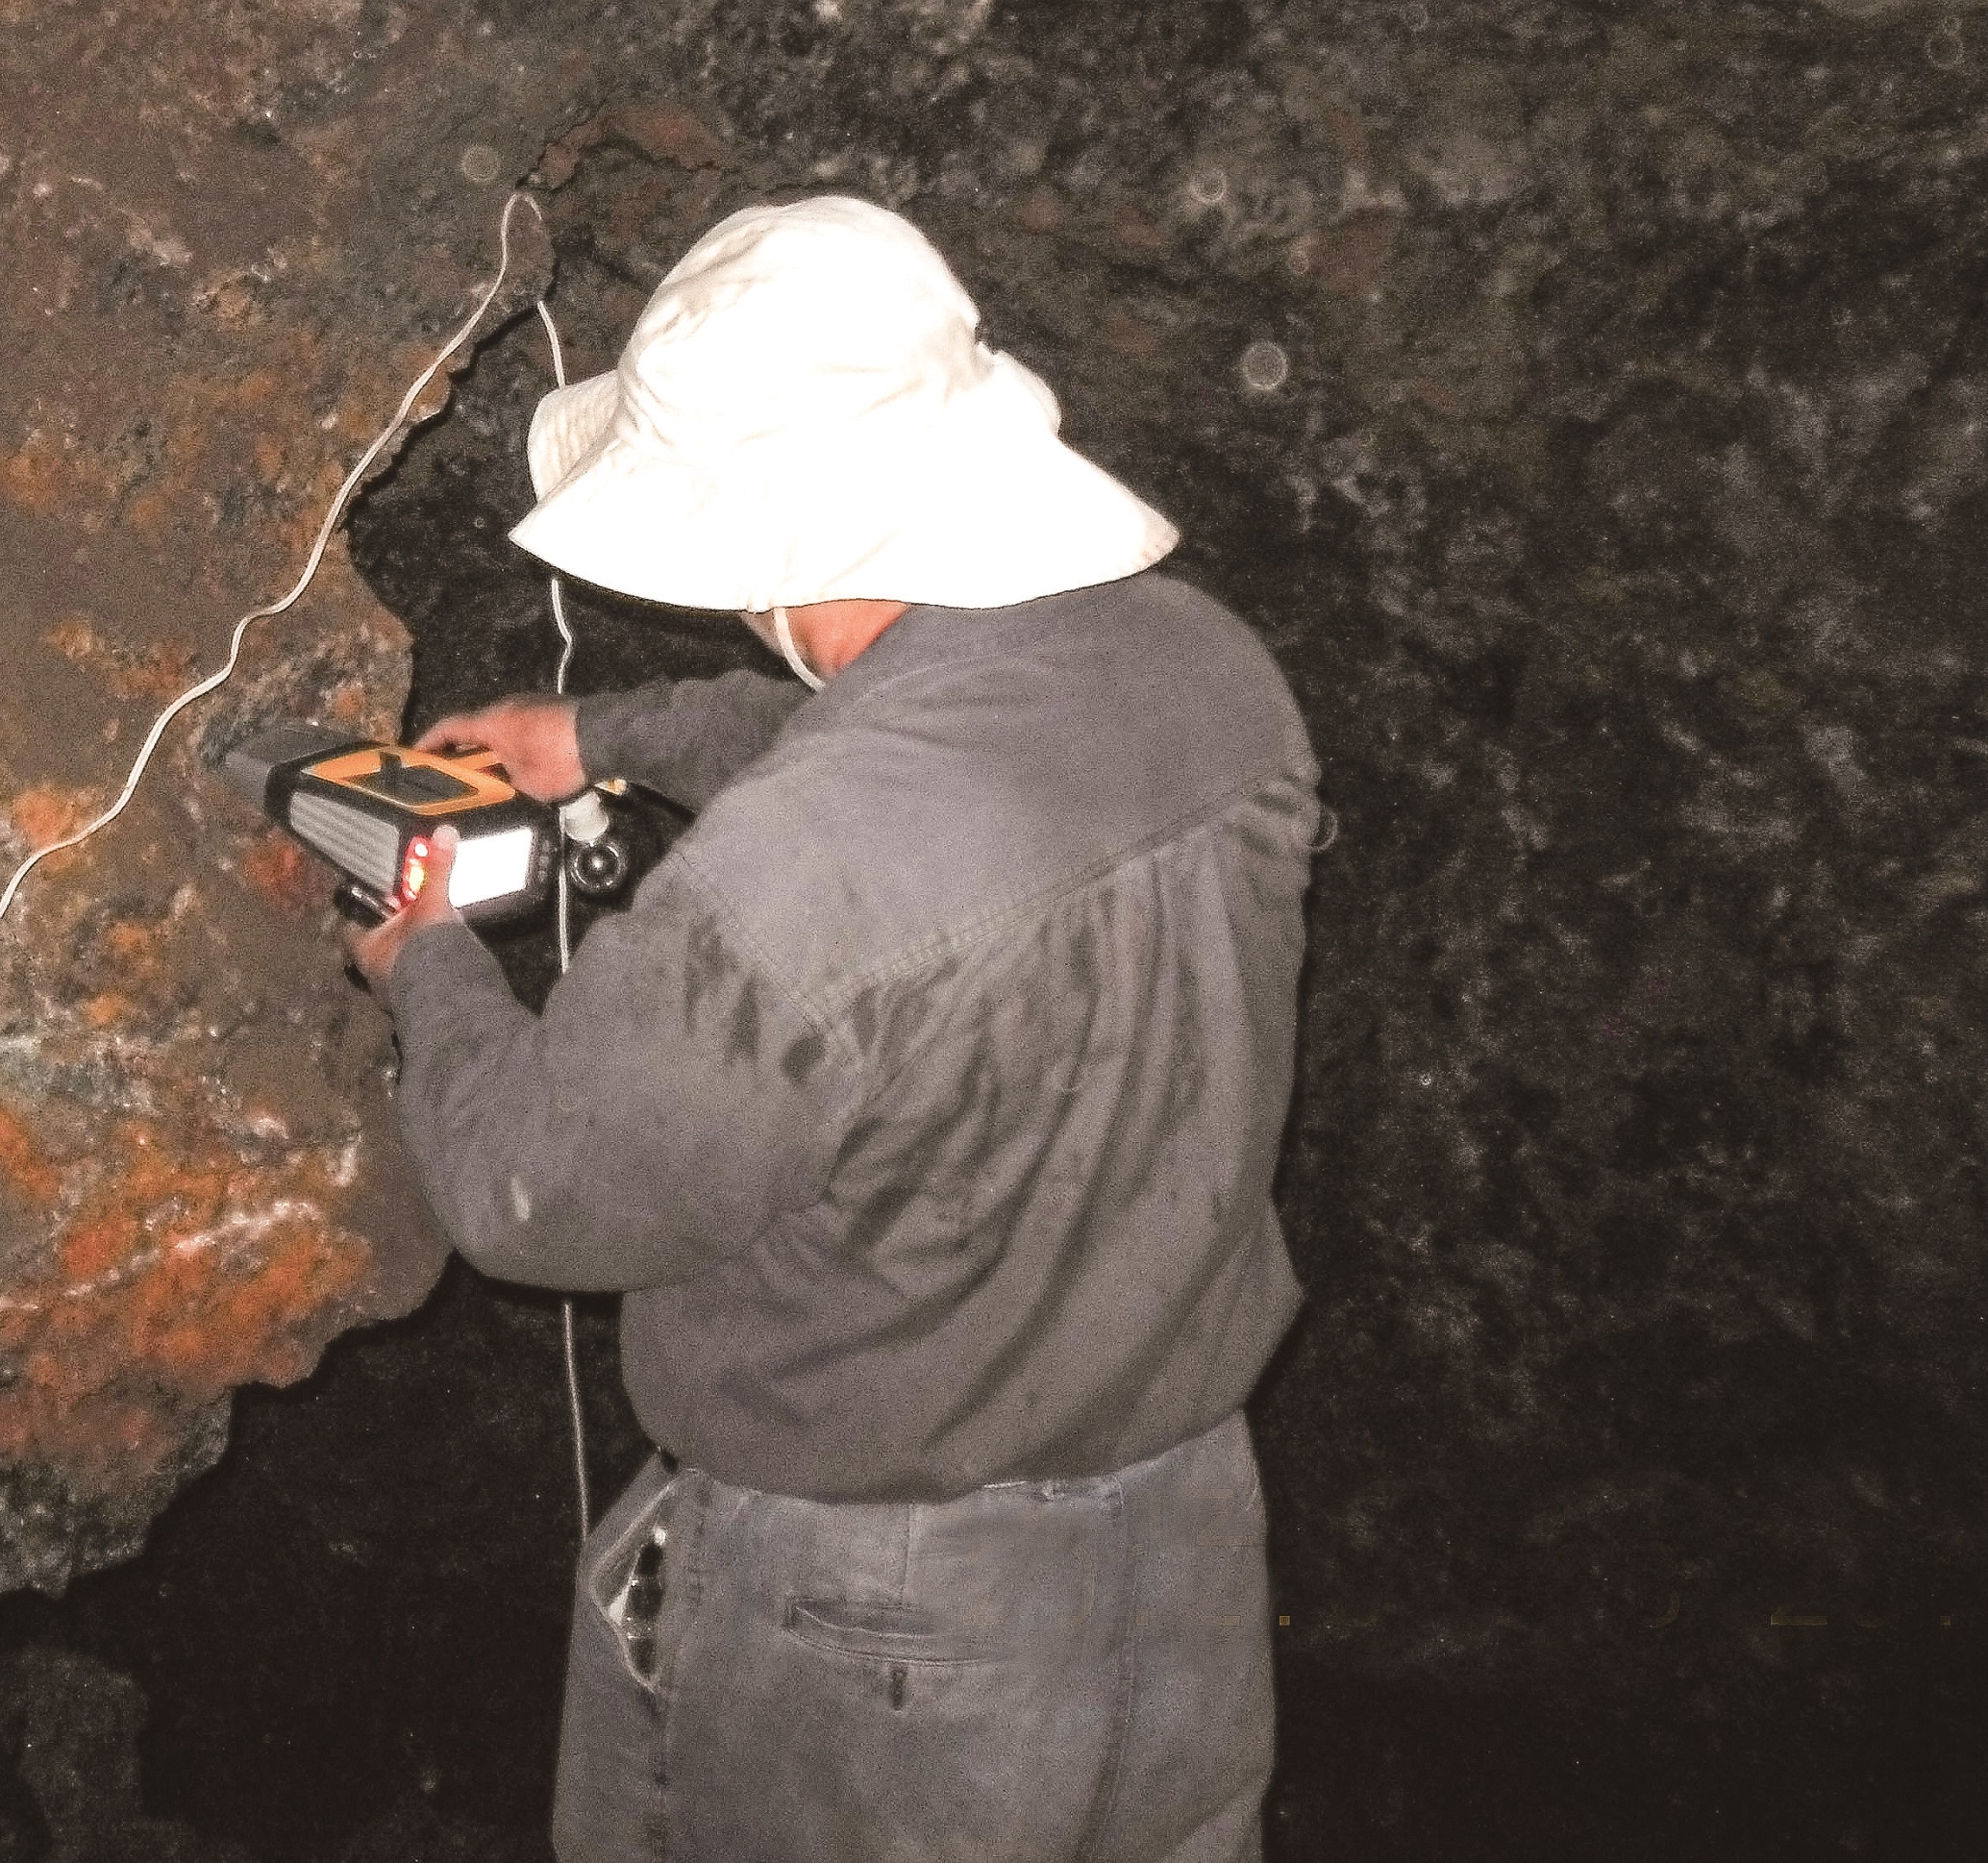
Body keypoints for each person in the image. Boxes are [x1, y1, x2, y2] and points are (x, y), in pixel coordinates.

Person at [349, 194, 1317, 1863]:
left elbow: (529, 1191)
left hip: (887, 1624)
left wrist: (427, 959)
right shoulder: (1207, 674)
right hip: (1182, 1541)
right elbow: (933, 768)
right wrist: (604, 733)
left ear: (759, 540)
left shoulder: (801, 879)